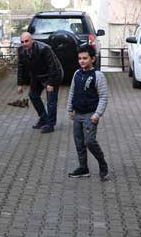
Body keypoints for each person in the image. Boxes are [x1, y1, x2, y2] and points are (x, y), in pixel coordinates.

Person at [66, 44, 109, 181]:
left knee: (90, 141)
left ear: (93, 59)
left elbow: (103, 97)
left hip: (91, 115)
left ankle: (102, 164)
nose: (82, 61)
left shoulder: (98, 75)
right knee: (79, 143)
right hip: (77, 114)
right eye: (80, 58)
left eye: (85, 58)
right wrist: (70, 109)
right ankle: (83, 168)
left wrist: (97, 114)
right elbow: (72, 92)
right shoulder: (77, 74)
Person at [17, 32, 64, 133]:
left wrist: (51, 83)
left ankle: (50, 124)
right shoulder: (21, 50)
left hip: (52, 75)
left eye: (26, 41)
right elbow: (21, 67)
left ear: (32, 41)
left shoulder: (44, 49)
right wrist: (20, 84)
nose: (24, 44)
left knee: (51, 101)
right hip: (37, 76)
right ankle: (43, 118)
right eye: (22, 42)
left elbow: (53, 66)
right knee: (33, 95)